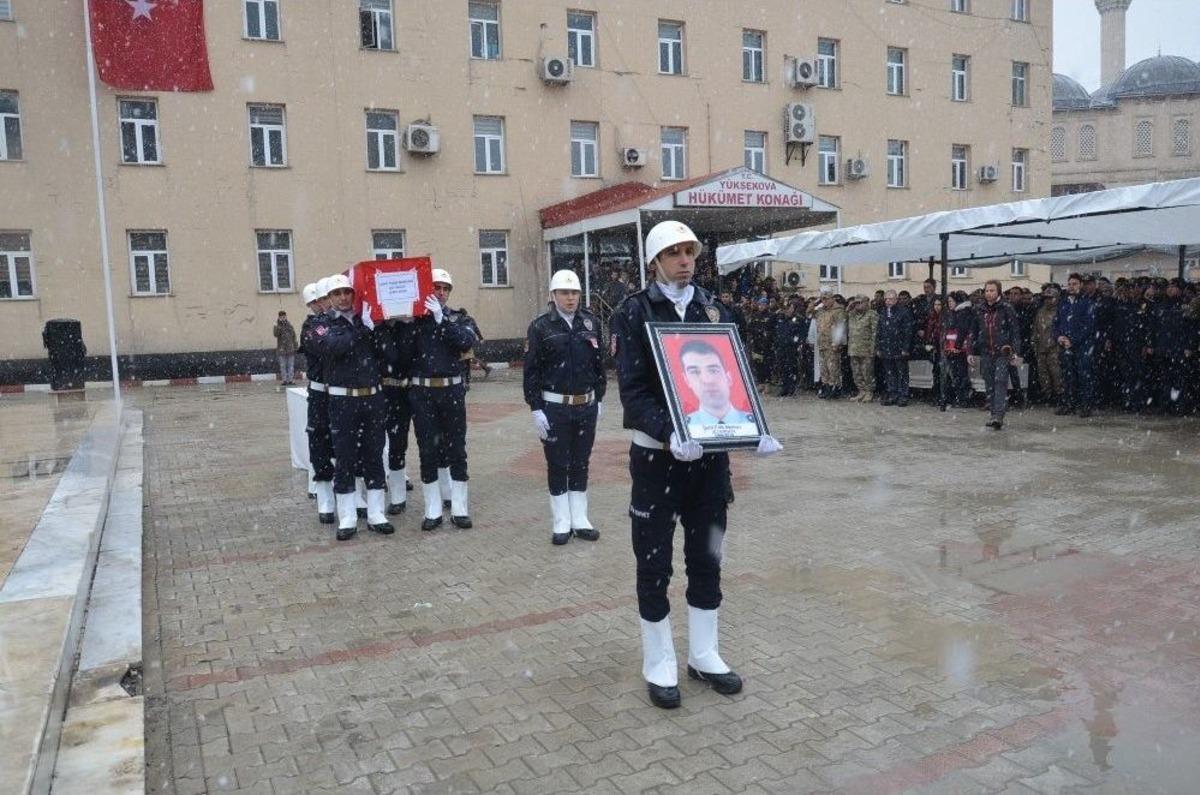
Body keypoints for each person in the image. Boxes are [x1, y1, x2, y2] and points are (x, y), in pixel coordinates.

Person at [613, 220, 781, 710]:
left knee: (707, 560)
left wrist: (753, 428)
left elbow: (732, 375)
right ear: (655, 261)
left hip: (708, 462)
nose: (685, 260)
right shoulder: (634, 312)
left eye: (690, 251)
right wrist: (671, 432)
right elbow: (634, 392)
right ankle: (659, 661)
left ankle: (704, 653)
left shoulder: (715, 308)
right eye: (674, 253)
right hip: (657, 459)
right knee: (655, 564)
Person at [308, 274, 394, 540]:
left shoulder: (367, 321)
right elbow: (333, 347)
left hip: (372, 397)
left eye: (347, 292)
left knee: (373, 453)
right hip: (342, 399)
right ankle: (346, 516)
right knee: (344, 456)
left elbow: (389, 355)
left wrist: (380, 328)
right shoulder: (321, 324)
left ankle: (377, 512)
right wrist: (364, 330)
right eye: (337, 294)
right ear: (330, 299)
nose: (343, 297)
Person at [524, 269, 606, 545]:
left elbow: (599, 365)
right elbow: (531, 372)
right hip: (555, 408)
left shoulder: (590, 323)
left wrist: (600, 398)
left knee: (581, 461)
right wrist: (536, 408)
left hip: (586, 405)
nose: (570, 298)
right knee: (558, 463)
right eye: (564, 293)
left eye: (574, 293)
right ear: (553, 295)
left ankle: (580, 519)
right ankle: (561, 521)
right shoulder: (541, 327)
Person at [400, 269, 479, 530]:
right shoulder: (416, 322)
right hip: (423, 393)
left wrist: (441, 319)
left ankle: (459, 507)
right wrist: (405, 322)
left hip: (452, 391)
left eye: (446, 288)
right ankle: (432, 508)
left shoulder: (458, 318)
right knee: (428, 450)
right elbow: (401, 354)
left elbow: (466, 341)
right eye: (436, 287)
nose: (441, 292)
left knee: (456, 448)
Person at [298, 280, 335, 523]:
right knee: (320, 441)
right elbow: (323, 346)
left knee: (348, 442)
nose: (320, 305)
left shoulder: (344, 323)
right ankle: (324, 497)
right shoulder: (311, 326)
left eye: (323, 300)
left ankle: (351, 492)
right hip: (321, 392)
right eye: (315, 302)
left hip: (343, 392)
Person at [968, 280, 1022, 430]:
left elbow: (1015, 332)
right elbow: (973, 331)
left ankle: (998, 414)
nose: (989, 293)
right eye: (987, 291)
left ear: (998, 292)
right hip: (986, 352)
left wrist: (1015, 352)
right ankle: (993, 413)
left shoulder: (1006, 308)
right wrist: (970, 352)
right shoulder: (979, 309)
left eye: (992, 291)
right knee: (989, 383)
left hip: (1002, 352)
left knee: (1000, 381)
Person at [679, 340, 758, 436]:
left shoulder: (754, 424)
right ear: (687, 381)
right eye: (695, 372)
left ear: (728, 378)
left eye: (713, 370)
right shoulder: (684, 427)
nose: (707, 380)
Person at [1054, 273, 1098, 418]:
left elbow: (1088, 326)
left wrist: (1072, 340)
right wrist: (1059, 336)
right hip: (1065, 346)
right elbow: (1056, 323)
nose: (1071, 287)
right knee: (1068, 376)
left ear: (1080, 285)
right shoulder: (1063, 302)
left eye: (1075, 284)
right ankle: (1069, 404)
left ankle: (1086, 405)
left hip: (1082, 346)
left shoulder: (1087, 302)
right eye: (1070, 284)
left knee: (1084, 376)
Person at [876, 290, 915, 406]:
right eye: (886, 299)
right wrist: (878, 347)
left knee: (902, 372)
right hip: (886, 347)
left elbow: (908, 332)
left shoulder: (904, 312)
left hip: (899, 348)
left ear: (896, 300)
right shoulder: (882, 312)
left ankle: (903, 395)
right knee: (890, 373)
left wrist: (905, 348)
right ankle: (892, 394)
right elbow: (879, 331)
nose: (888, 302)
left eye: (891, 299)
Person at [940, 291, 975, 407]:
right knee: (957, 374)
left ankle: (963, 398)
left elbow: (962, 331)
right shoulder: (957, 313)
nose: (949, 304)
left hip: (958, 349)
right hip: (954, 348)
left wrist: (956, 346)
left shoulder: (962, 313)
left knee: (960, 374)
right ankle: (961, 397)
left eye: (950, 301)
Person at [1032, 283, 1064, 408]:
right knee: (1043, 374)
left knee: (1056, 374)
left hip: (1055, 349)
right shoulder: (1040, 311)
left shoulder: (1060, 311)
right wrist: (1034, 344)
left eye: (1050, 297)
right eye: (1046, 298)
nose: (1048, 300)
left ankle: (1060, 396)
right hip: (1041, 348)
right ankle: (1048, 395)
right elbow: (1035, 330)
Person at [814, 290, 847, 399]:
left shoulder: (838, 311)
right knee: (824, 368)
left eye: (826, 299)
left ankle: (835, 388)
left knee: (833, 368)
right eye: (823, 299)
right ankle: (826, 387)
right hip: (822, 343)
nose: (824, 301)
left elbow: (840, 328)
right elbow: (808, 312)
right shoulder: (821, 311)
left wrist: (837, 343)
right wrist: (815, 303)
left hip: (832, 344)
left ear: (832, 299)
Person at [847, 295, 879, 402]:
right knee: (856, 372)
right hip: (854, 348)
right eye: (856, 303)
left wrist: (873, 349)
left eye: (860, 302)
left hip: (866, 349)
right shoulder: (852, 315)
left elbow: (875, 333)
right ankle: (861, 391)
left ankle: (869, 392)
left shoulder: (872, 315)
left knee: (867, 372)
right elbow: (843, 317)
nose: (858, 305)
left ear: (867, 303)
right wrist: (849, 306)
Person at [772, 301, 806, 397]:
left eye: (789, 308)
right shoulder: (779, 318)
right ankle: (784, 387)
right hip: (781, 346)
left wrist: (798, 341)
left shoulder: (798, 319)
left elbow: (802, 333)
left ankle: (792, 388)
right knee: (782, 367)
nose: (787, 310)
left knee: (792, 367)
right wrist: (775, 314)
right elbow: (770, 326)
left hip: (792, 347)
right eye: (785, 308)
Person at [273, 310, 298, 385]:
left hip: (290, 348)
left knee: (291, 365)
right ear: (279, 317)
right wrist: (279, 325)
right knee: (283, 365)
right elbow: (276, 334)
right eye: (282, 317)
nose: (283, 318)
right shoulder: (277, 325)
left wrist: (295, 346)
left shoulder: (289, 325)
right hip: (282, 349)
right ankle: (284, 380)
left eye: (284, 316)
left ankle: (290, 379)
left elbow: (294, 336)